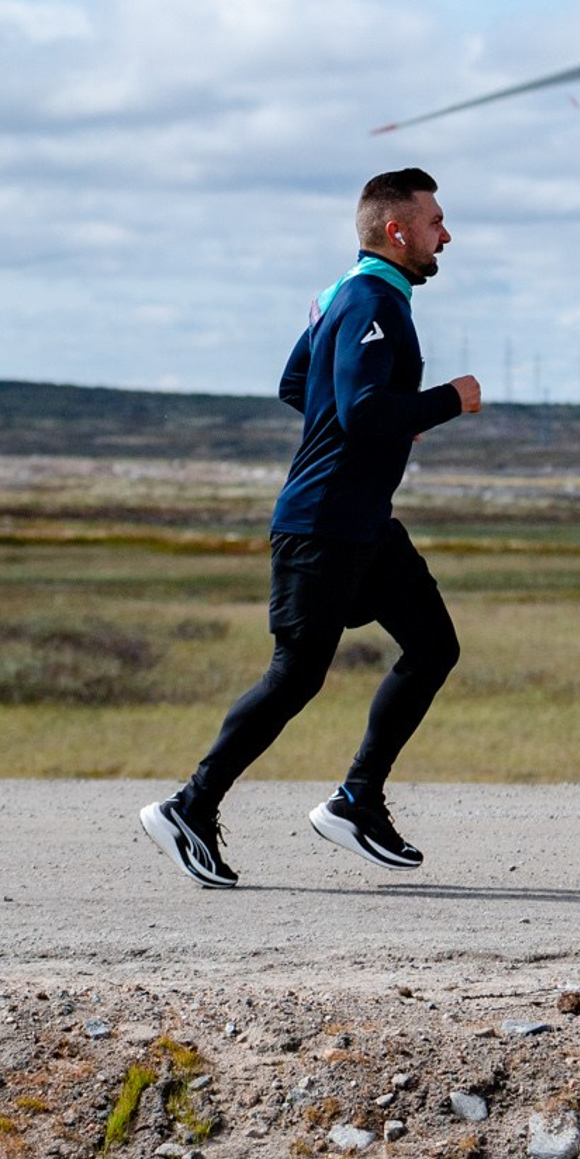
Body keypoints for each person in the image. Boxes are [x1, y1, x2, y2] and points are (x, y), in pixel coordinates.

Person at [139, 167, 481, 888]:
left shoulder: (341, 297)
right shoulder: (371, 301)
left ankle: (357, 801)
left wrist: (388, 425)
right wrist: (446, 401)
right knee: (295, 676)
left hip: (362, 524)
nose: (445, 235)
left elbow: (299, 387)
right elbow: (359, 412)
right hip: (323, 524)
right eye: (435, 222)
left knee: (433, 646)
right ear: (397, 231)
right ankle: (189, 808)